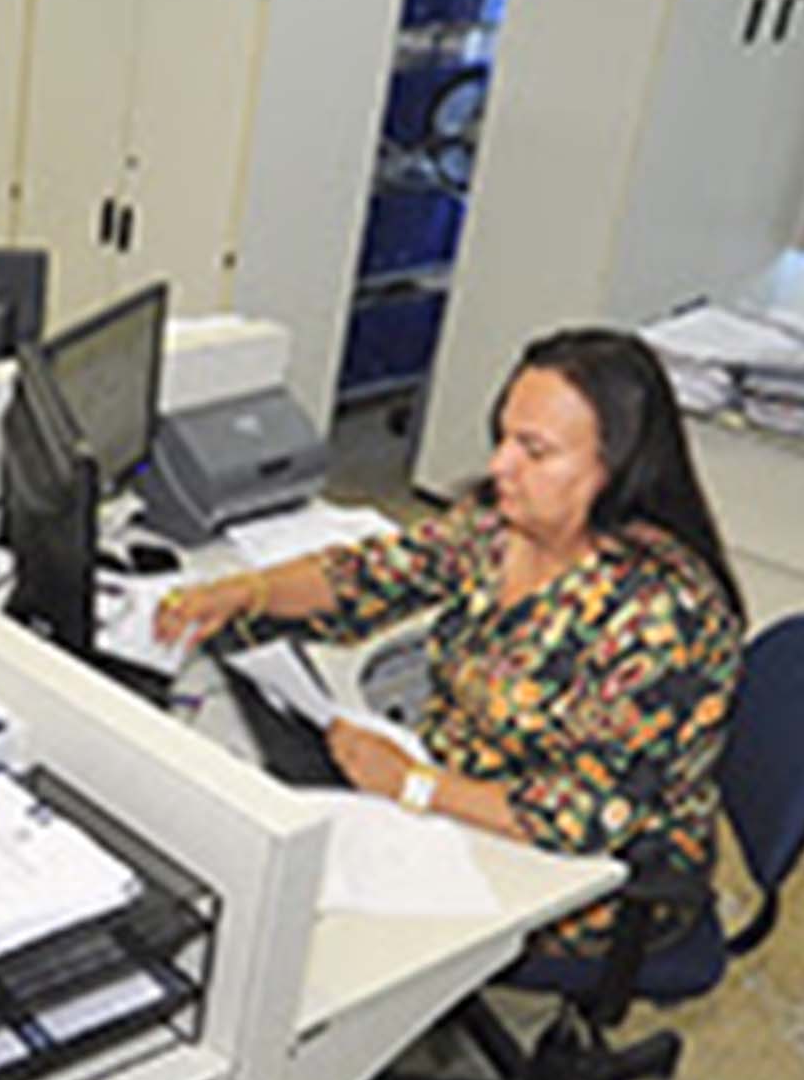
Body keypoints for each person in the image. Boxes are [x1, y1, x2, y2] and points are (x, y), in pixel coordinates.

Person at [155, 327, 744, 960]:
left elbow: (586, 814)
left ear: (616, 467)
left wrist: (413, 785)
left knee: (315, 941)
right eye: (503, 438)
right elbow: (373, 576)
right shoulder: (502, 526)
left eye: (534, 450)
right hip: (454, 800)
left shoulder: (663, 616)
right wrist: (250, 592)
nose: (500, 466)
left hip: (585, 879)